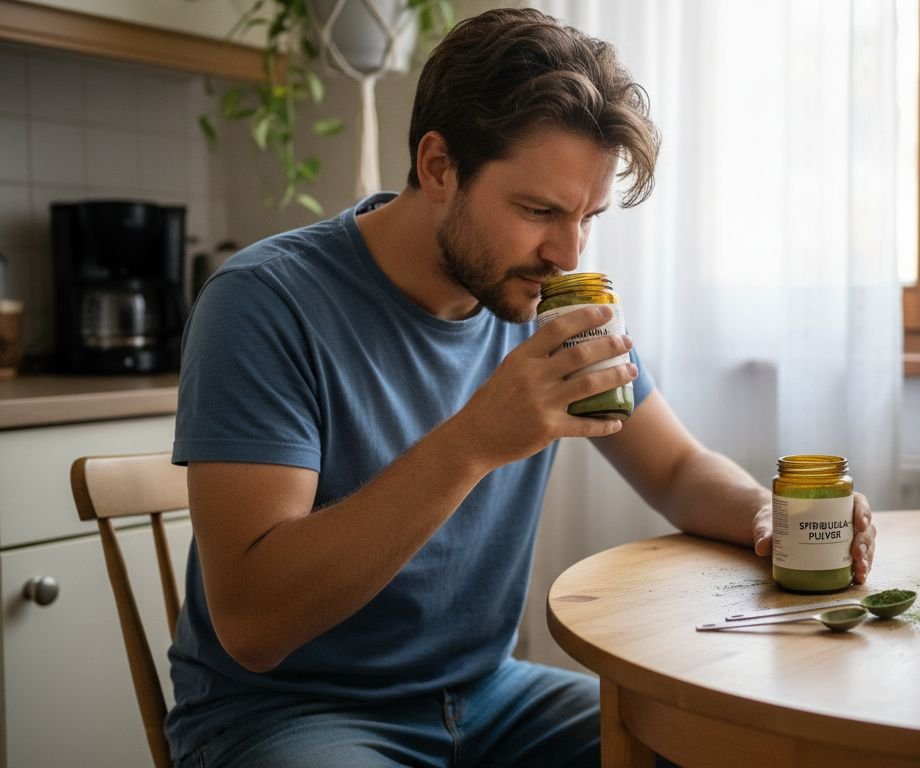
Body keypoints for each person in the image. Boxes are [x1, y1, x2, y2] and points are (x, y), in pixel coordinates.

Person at [167, 8, 876, 767]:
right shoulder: (265, 303)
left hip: (489, 696)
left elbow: (673, 468)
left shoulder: (543, 300)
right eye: (539, 211)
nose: (566, 253)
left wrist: (766, 513)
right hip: (291, 715)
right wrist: (475, 441)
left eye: (588, 218)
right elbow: (253, 624)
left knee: (724, 749)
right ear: (438, 167)